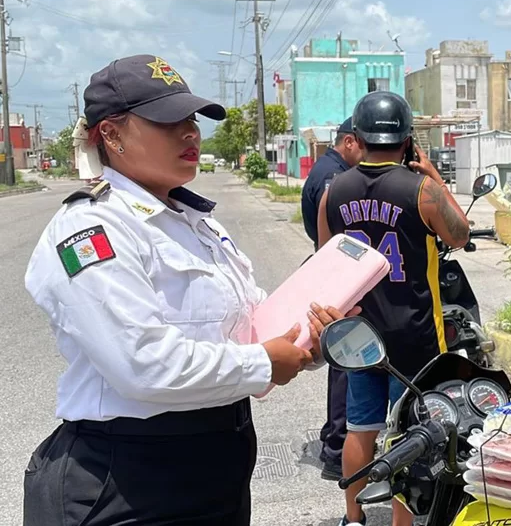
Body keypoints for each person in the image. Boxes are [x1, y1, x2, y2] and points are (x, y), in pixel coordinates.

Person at [22, 54, 349, 525]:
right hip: (129, 479)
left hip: (215, 463)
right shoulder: (91, 228)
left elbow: (248, 320)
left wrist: (308, 339)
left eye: (192, 119)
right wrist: (264, 362)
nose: (190, 133)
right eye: (167, 121)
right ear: (110, 135)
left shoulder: (196, 223)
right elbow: (142, 363)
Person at [316, 91, 470, 526]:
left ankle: (353, 518)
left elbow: (327, 257)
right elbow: (459, 235)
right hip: (416, 334)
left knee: (360, 428)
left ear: (358, 138)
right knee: (408, 434)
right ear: (407, 141)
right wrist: (434, 176)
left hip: (359, 333)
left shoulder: (334, 192)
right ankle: (402, 522)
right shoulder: (421, 190)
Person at [299, 116, 363, 481]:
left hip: (333, 271)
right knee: (344, 364)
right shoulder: (333, 178)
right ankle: (337, 448)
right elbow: (336, 236)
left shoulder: (329, 168)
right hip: (338, 274)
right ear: (350, 142)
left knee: (343, 362)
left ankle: (334, 439)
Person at [301, 117, 363, 250]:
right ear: (349, 142)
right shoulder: (332, 175)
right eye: (364, 144)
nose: (368, 151)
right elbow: (338, 229)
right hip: (336, 256)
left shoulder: (330, 165)